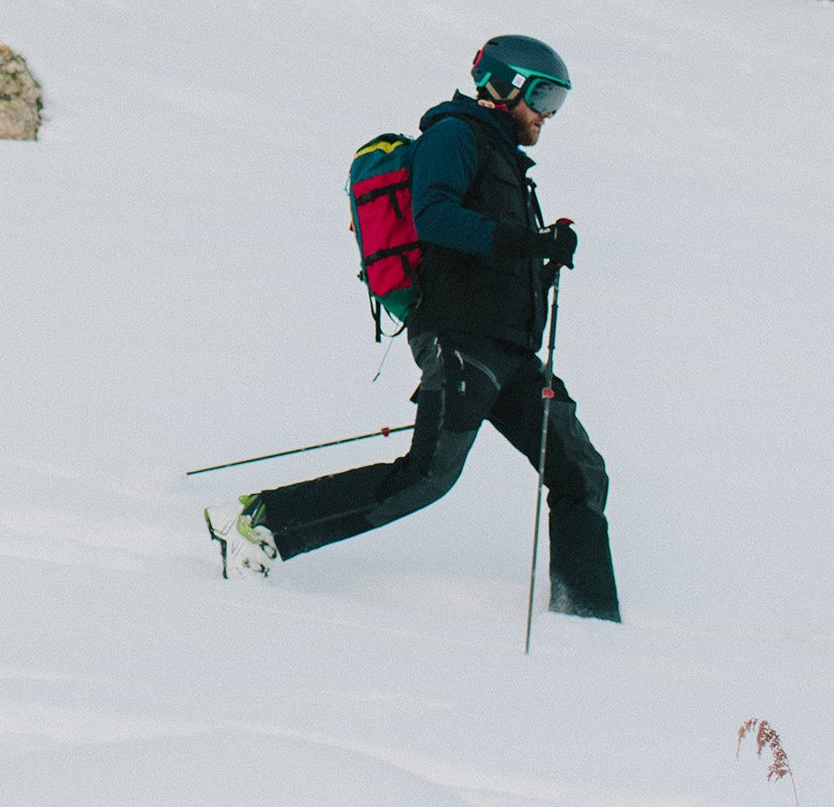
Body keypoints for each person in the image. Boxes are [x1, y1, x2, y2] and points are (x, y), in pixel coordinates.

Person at [204, 35, 620, 621]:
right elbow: (436, 215)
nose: (548, 114)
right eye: (543, 95)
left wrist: (541, 257)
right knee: (426, 477)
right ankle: (259, 522)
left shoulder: (505, 158)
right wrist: (526, 241)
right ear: (503, 88)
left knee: (581, 473)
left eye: (559, 100)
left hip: (512, 351)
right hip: (461, 341)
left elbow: (490, 246)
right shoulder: (454, 135)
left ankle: (587, 620)